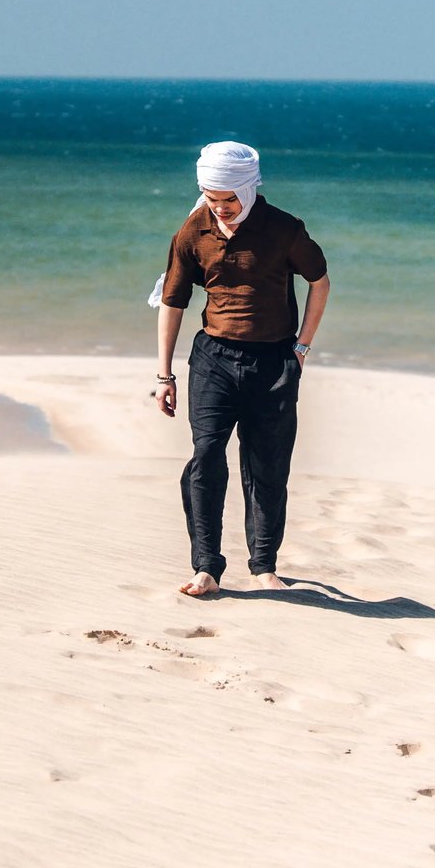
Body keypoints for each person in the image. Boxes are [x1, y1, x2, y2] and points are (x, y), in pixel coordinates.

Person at [150, 140, 330, 597]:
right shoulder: (194, 231)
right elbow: (173, 303)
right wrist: (165, 375)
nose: (222, 209)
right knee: (206, 458)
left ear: (248, 190)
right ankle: (206, 566)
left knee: (267, 466)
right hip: (213, 360)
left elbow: (319, 282)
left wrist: (302, 348)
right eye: (213, 199)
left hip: (274, 362)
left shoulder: (284, 229)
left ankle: (264, 566)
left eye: (230, 199)